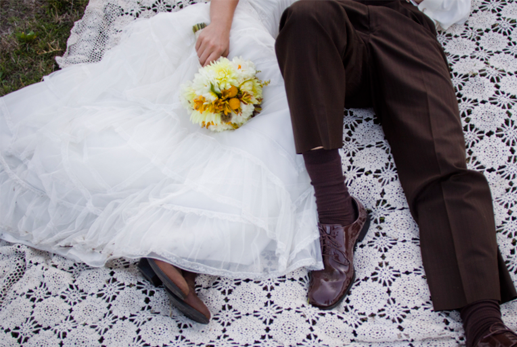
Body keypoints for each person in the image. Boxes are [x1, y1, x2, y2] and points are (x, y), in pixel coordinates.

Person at [273, 0, 517, 347]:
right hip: (330, 28)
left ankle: (486, 335)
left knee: (443, 164)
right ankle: (337, 213)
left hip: (404, 26)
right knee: (304, 15)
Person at [0, 0, 323, 325]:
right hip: (232, 27)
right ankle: (177, 244)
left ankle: (173, 244)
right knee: (281, 139)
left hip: (263, 36)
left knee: (219, 137)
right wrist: (220, 28)